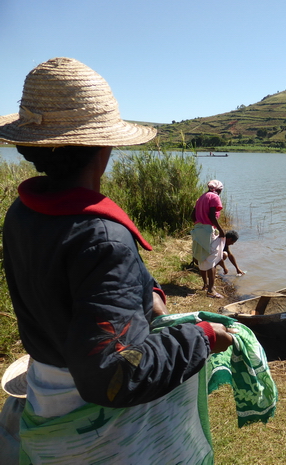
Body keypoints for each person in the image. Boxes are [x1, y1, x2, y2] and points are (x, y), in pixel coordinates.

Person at [0, 57, 236, 464]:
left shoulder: (21, 214)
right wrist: (201, 338)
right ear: (104, 146)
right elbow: (112, 377)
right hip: (101, 435)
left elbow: (69, 294)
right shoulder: (103, 237)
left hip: (47, 396)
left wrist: (145, 291)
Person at [191, 179, 226, 297]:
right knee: (212, 259)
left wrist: (199, 224)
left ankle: (206, 284)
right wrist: (221, 230)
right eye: (220, 190)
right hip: (207, 230)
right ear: (219, 189)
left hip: (198, 229)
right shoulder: (214, 197)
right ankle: (211, 290)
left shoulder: (201, 197)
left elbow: (192, 215)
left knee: (202, 256)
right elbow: (212, 215)